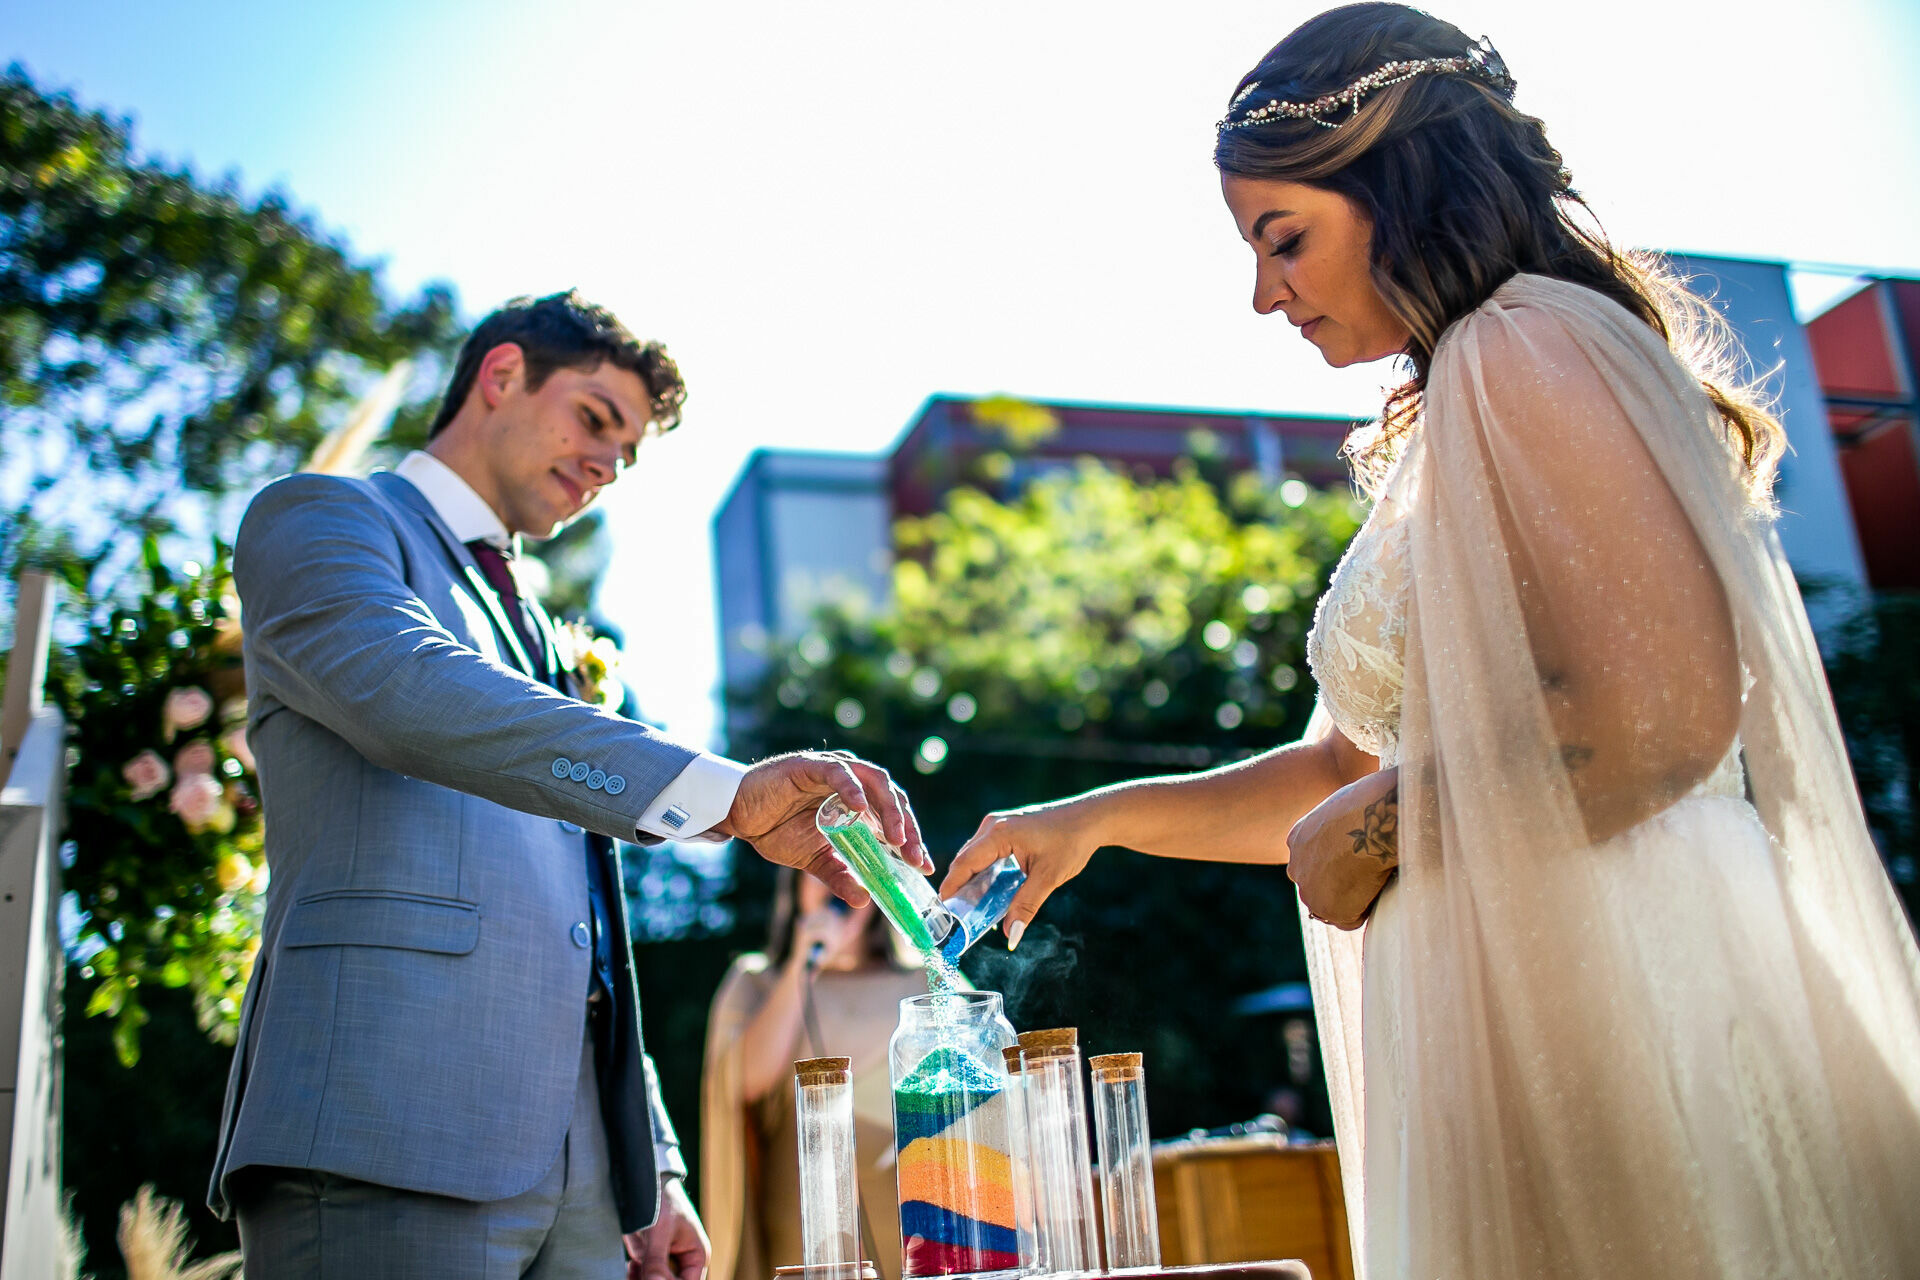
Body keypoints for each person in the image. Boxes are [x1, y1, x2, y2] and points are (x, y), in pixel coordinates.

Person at [941, 8, 1920, 1277]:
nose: (1262, 294)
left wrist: (1384, 825)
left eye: (1282, 239)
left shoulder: (1527, 343)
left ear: (1399, 189)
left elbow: (1669, 717)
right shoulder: (1469, 387)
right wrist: (1092, 818)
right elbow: (1341, 767)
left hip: (1622, 983)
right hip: (1518, 992)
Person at [206, 290, 927, 1280]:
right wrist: (723, 797)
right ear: (501, 375)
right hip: (382, 1126)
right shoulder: (326, 517)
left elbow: (586, 929)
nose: (605, 465)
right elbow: (404, 685)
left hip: (585, 1192)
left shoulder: (548, 631)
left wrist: (653, 1168)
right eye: (594, 418)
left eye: (625, 454)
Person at [700, 870, 927, 1280]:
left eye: (856, 868)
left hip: (913, 1236)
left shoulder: (924, 980)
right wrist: (801, 969)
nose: (837, 880)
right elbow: (742, 1082)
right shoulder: (756, 981)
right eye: (819, 867)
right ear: (794, 886)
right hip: (798, 1231)